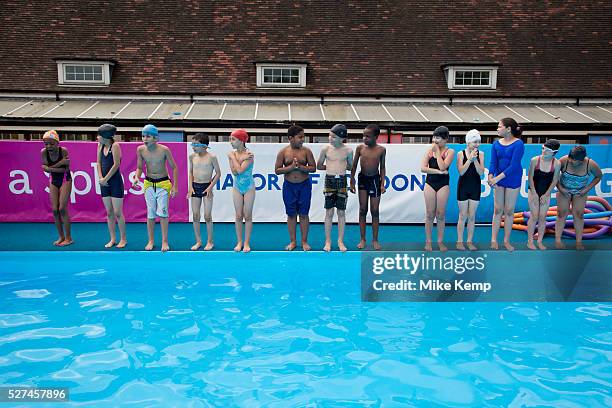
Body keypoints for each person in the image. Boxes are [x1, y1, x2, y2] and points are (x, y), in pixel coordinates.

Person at [131, 124, 178, 252]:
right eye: (143, 136)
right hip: (149, 184)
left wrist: (175, 186)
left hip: (163, 184)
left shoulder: (164, 150)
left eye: (148, 136)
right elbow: (140, 167)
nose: (145, 139)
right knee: (150, 214)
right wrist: (136, 177)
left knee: (163, 213)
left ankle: (164, 241)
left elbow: (174, 167)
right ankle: (151, 240)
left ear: (155, 138)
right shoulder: (140, 150)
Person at [275, 125, 316, 251]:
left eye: (303, 137)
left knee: (304, 214)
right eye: (300, 137)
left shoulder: (306, 151)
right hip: (289, 187)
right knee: (291, 215)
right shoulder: (283, 152)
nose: (303, 139)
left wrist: (301, 167)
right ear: (291, 138)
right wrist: (291, 167)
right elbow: (277, 170)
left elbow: (313, 168)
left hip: (304, 186)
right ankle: (293, 241)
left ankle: (304, 241)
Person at [555, 146, 602, 250]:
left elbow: (599, 176)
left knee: (579, 214)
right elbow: (554, 176)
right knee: (561, 213)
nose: (570, 160)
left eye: (573, 159)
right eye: (570, 157)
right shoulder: (564, 160)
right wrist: (561, 188)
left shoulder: (590, 164)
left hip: (580, 192)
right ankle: (558, 240)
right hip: (564, 191)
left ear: (581, 160)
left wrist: (587, 189)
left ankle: (578, 242)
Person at [488, 117, 525, 252]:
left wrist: (496, 179)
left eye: (499, 126)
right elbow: (493, 163)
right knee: (498, 210)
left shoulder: (519, 144)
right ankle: (493, 239)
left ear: (508, 129)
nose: (497, 129)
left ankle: (506, 241)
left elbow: (514, 166)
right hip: (498, 179)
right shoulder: (496, 144)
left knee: (509, 211)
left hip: (512, 179)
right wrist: (490, 175)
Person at [317, 124, 354, 252]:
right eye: (330, 135)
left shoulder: (348, 151)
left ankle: (340, 241)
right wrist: (331, 169)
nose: (330, 138)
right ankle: (328, 241)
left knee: (341, 212)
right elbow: (319, 165)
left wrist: (340, 168)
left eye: (333, 136)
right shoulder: (325, 149)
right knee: (329, 212)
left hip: (342, 181)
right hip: (329, 180)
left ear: (341, 138)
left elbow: (350, 166)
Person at [350, 124, 386, 250]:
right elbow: (354, 165)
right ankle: (362, 239)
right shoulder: (360, 148)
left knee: (375, 211)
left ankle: (375, 240)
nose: (365, 138)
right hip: (362, 179)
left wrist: (382, 183)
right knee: (362, 209)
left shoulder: (381, 150)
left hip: (375, 180)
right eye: (364, 136)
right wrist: (352, 180)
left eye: (368, 136)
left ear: (376, 137)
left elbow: (382, 167)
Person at [420, 126, 455, 252]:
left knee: (440, 214)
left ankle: (440, 241)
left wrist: (438, 153)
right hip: (430, 183)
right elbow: (423, 168)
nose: (435, 140)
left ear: (445, 139)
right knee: (429, 214)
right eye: (434, 137)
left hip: (443, 185)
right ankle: (428, 241)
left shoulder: (450, 152)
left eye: (438, 138)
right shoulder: (429, 151)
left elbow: (443, 166)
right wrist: (438, 172)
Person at [188, 133, 221, 251]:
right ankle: (198, 241)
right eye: (192, 144)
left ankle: (210, 241)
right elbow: (191, 172)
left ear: (205, 146)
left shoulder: (212, 157)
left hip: (207, 187)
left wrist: (210, 187)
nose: (193, 147)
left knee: (207, 215)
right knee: (196, 215)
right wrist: (190, 187)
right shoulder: (192, 157)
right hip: (195, 187)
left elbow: (218, 173)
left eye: (195, 144)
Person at [526, 139, 561, 250]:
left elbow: (555, 180)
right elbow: (530, 177)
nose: (544, 151)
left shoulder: (556, 163)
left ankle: (540, 241)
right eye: (543, 149)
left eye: (547, 150)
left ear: (554, 152)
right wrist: (535, 194)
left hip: (546, 192)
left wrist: (546, 194)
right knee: (534, 215)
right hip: (533, 191)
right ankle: (530, 241)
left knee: (542, 217)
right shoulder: (535, 160)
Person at [40, 130, 73, 246]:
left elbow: (66, 170)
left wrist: (50, 168)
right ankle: (61, 237)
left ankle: (69, 238)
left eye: (51, 143)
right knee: (54, 210)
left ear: (57, 143)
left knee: (62, 208)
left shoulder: (63, 151)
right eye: (46, 144)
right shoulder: (43, 152)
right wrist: (60, 164)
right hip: (53, 181)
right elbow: (47, 169)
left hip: (65, 179)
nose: (48, 146)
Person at [96, 124, 127, 249]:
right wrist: (100, 178)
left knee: (118, 212)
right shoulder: (99, 145)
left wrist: (106, 178)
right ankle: (113, 238)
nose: (97, 137)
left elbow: (116, 165)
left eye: (99, 135)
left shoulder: (115, 146)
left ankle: (123, 239)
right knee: (109, 213)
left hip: (114, 182)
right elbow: (98, 162)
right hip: (104, 183)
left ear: (106, 136)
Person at [456, 129, 485, 251]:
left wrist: (476, 160)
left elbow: (481, 172)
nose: (477, 144)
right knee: (463, 215)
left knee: (472, 216)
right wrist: (470, 160)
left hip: (475, 187)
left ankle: (469, 241)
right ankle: (459, 241)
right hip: (463, 186)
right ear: (468, 143)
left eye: (479, 142)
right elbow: (461, 171)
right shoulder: (461, 154)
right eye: (474, 142)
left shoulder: (481, 154)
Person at [228, 129, 255, 253]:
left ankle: (247, 242)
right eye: (230, 139)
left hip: (249, 187)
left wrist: (233, 158)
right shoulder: (232, 154)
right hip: (237, 187)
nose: (231, 142)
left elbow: (239, 170)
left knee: (247, 215)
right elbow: (234, 172)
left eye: (233, 139)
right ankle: (239, 242)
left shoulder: (249, 155)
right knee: (238, 215)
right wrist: (236, 158)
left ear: (242, 140)